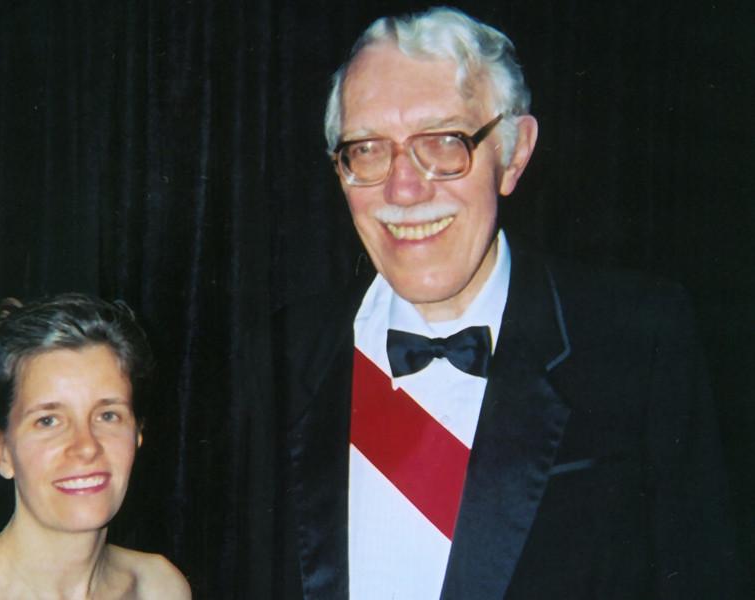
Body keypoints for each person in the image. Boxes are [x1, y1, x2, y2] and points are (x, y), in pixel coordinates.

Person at [247, 6, 737, 600]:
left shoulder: (639, 339)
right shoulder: (276, 355)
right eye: (369, 149)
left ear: (514, 153)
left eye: (444, 143)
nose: (404, 189)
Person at [0, 294, 190, 599]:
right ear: (0, 451)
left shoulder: (159, 587)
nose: (86, 447)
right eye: (48, 421)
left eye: (108, 415)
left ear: (137, 435)